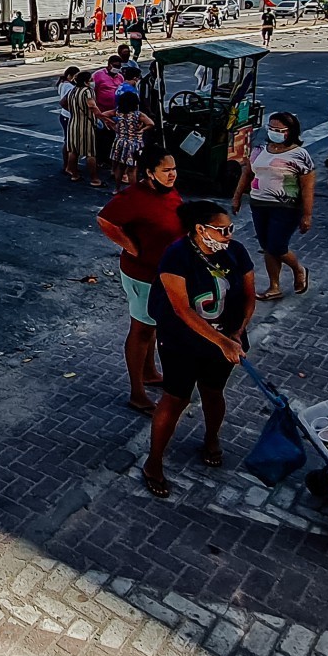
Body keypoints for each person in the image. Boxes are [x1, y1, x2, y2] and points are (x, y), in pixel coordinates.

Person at [140, 200, 256, 498]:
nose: (228, 235)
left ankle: (212, 438)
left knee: (213, 391)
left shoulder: (237, 252)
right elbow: (182, 309)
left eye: (230, 229)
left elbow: (249, 296)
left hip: (226, 339)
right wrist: (222, 341)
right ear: (200, 229)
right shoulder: (177, 256)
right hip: (182, 341)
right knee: (175, 397)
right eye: (221, 230)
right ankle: (154, 462)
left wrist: (237, 332)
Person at [97, 145, 182, 413]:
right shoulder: (133, 197)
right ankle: (137, 392)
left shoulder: (167, 191)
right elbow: (104, 220)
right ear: (149, 172)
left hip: (162, 273)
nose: (172, 175)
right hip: (142, 275)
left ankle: (149, 372)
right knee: (141, 330)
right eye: (166, 170)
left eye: (174, 169)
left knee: (152, 326)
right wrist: (132, 247)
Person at [233, 111, 314, 298]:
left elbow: (307, 187)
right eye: (271, 128)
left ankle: (298, 269)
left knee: (277, 246)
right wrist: (237, 197)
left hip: (287, 208)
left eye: (279, 129)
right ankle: (274, 286)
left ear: (290, 132)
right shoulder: (259, 150)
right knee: (267, 246)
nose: (274, 132)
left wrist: (307, 215)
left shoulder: (300, 155)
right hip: (259, 205)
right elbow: (247, 174)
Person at [63, 70, 102, 186]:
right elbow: (92, 106)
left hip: (73, 123)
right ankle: (94, 179)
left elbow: (62, 103)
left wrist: (74, 111)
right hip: (86, 125)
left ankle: (74, 175)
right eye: (91, 80)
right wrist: (103, 117)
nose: (93, 82)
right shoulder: (88, 91)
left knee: (73, 151)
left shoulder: (72, 90)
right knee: (90, 153)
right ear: (86, 82)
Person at [110, 90, 150, 187]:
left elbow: (103, 114)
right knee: (132, 169)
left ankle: (117, 188)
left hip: (120, 141)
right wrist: (142, 129)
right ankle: (134, 190)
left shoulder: (118, 112)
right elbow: (151, 123)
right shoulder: (138, 115)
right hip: (134, 143)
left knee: (119, 167)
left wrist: (111, 124)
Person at [55, 65, 81, 168]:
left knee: (69, 141)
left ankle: (69, 165)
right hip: (68, 116)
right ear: (70, 76)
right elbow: (65, 102)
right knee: (69, 142)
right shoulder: (68, 86)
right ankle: (68, 166)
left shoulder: (63, 84)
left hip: (66, 116)